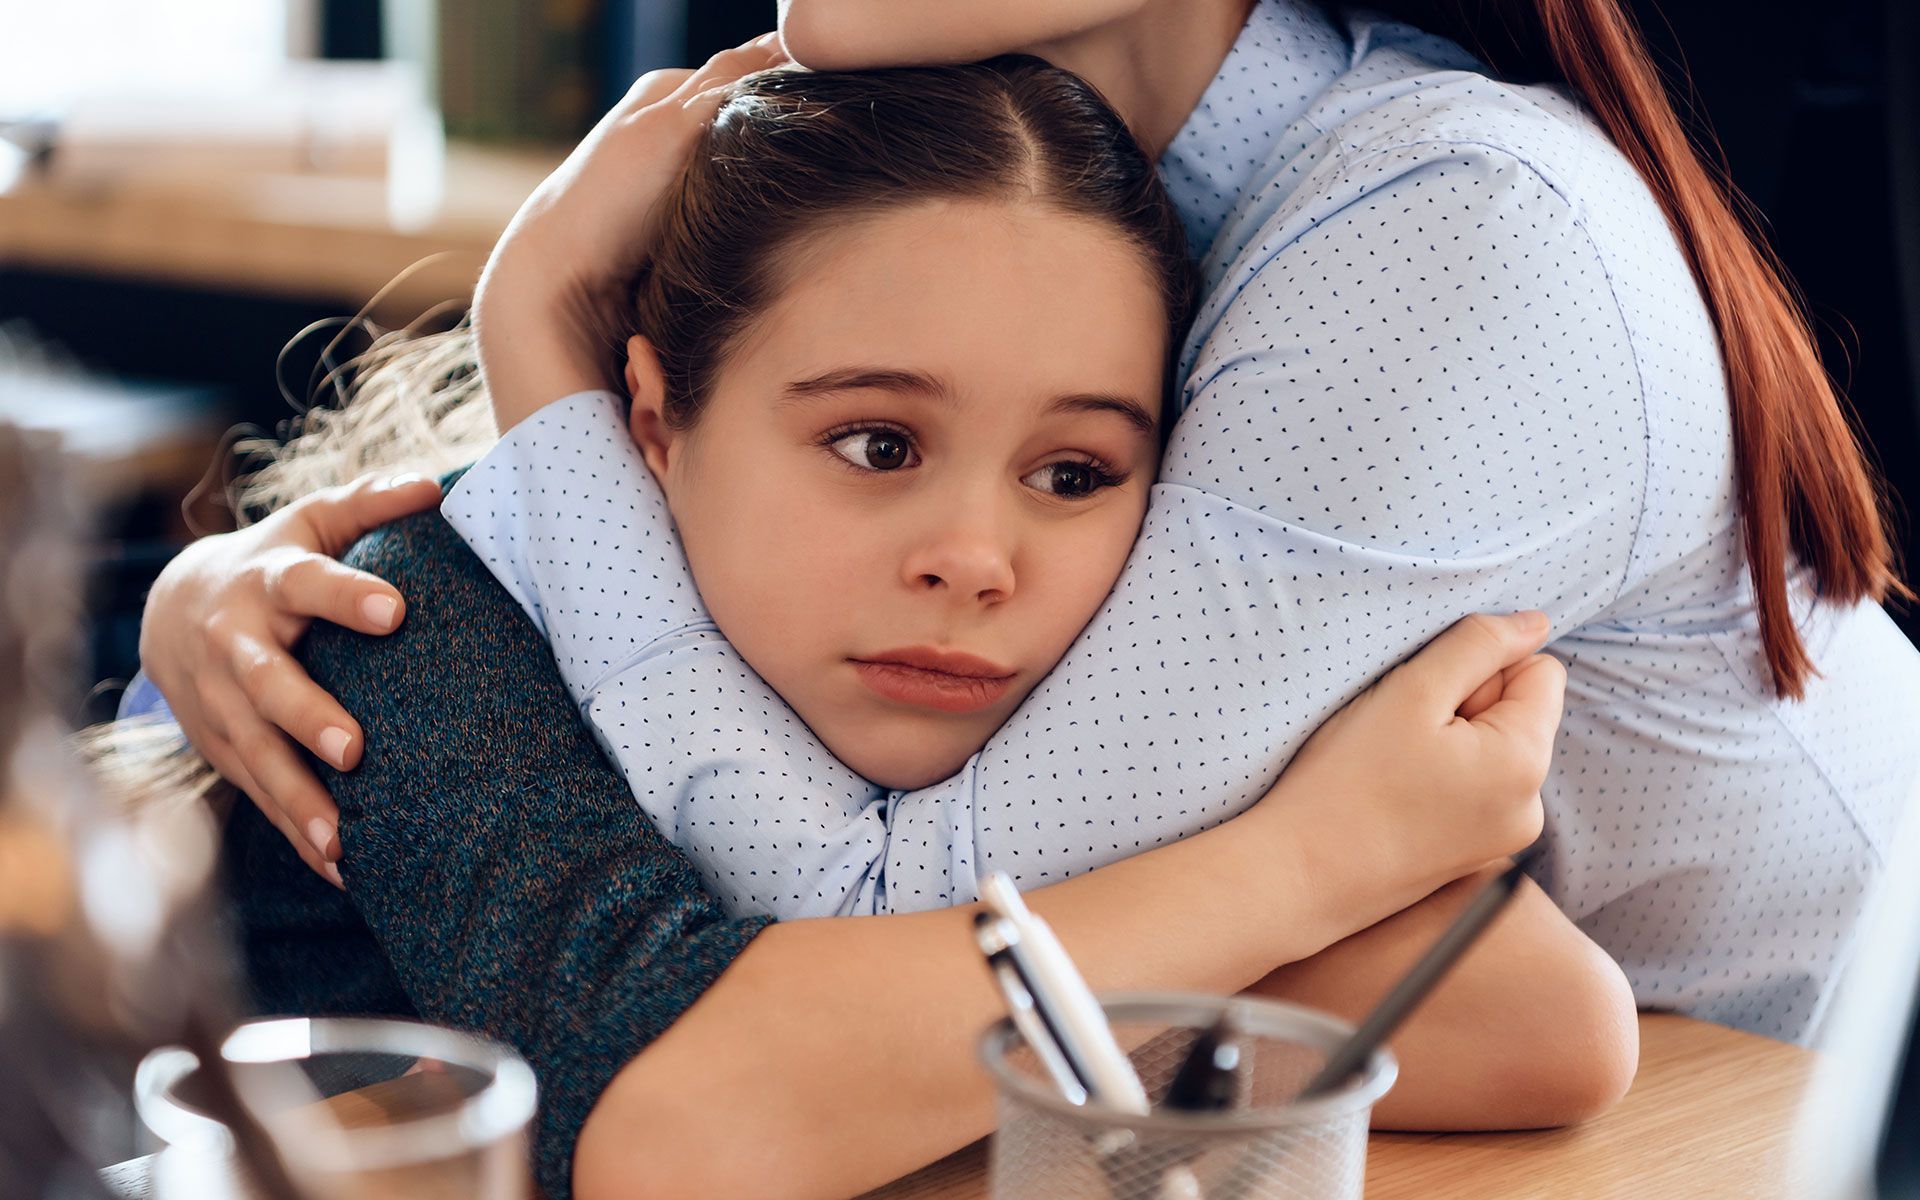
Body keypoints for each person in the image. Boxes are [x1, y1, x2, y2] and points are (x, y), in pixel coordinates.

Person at [143, 0, 1920, 1040]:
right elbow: (729, 560)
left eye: (1075, 472)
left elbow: (872, 919)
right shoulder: (1056, 184)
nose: (980, 545)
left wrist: (538, 346)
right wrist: (253, 586)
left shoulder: (1448, 242)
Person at [107, 53, 1638, 1200]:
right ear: (652, 419)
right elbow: (682, 1131)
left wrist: (863, 1044)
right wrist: (1313, 860)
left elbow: (1544, 1023)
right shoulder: (411, 626)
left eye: (1075, 471)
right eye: (877, 446)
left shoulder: (1045, 658)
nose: (977, 559)